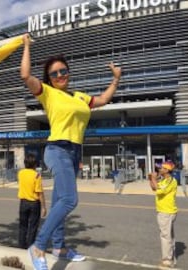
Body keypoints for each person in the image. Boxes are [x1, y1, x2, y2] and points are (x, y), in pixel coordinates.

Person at [20, 33, 121, 270]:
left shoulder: (80, 97)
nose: (60, 75)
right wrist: (26, 45)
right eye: (54, 73)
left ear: (69, 72)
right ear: (49, 78)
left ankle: (60, 246)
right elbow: (25, 75)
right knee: (69, 200)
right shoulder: (46, 92)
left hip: (75, 152)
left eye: (63, 71)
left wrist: (116, 79)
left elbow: (104, 100)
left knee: (58, 202)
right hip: (57, 149)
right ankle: (38, 246)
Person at [148, 161, 178, 268]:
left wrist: (154, 179)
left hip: (167, 212)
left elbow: (159, 191)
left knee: (165, 236)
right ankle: (171, 258)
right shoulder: (164, 180)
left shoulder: (171, 181)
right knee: (169, 236)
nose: (159, 170)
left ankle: (167, 261)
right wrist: (150, 179)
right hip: (164, 211)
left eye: (161, 168)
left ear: (167, 170)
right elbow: (154, 188)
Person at [17, 153, 47, 249]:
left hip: (23, 202)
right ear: (35, 164)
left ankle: (21, 245)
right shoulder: (36, 176)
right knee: (33, 227)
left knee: (23, 225)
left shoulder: (21, 173)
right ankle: (30, 246)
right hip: (34, 203)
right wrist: (43, 207)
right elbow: (39, 193)